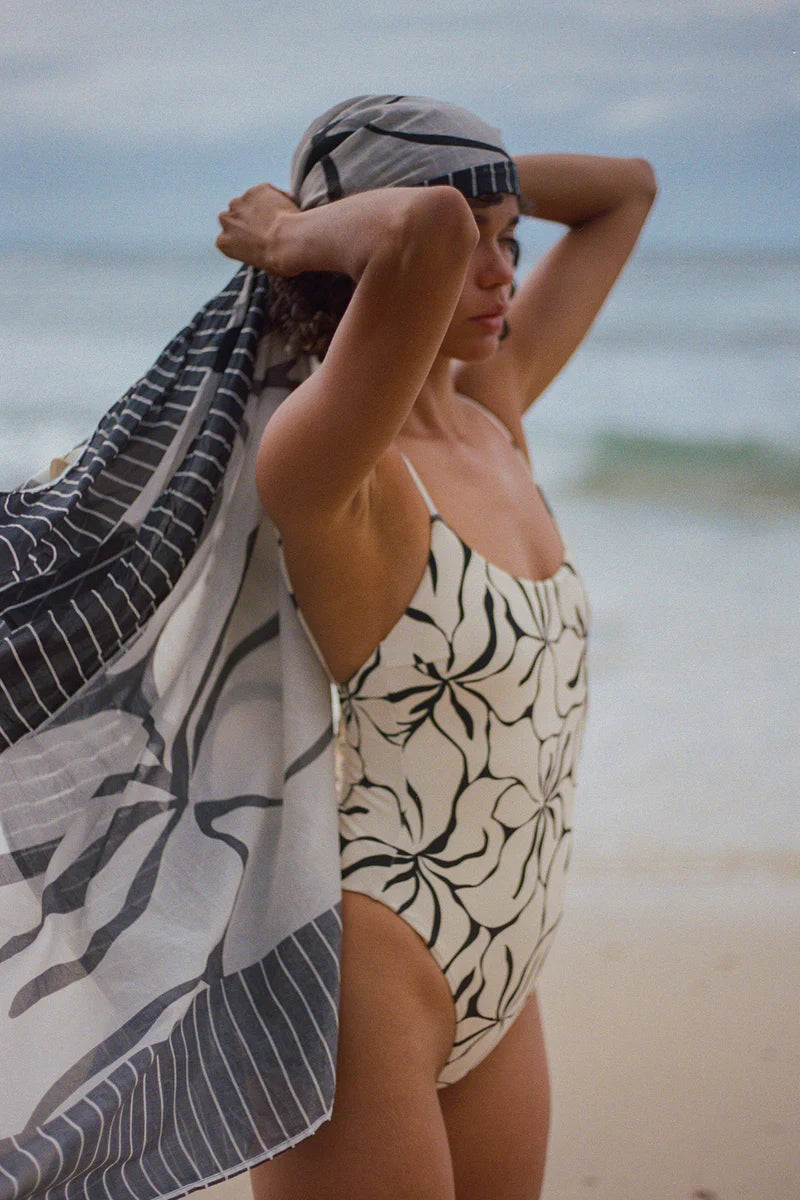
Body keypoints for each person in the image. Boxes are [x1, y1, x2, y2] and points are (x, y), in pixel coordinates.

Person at [213, 95, 657, 1200]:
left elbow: (626, 190)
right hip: (365, 980)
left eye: (512, 240)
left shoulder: (492, 412)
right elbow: (425, 232)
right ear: (349, 257)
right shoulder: (329, 462)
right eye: (477, 248)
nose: (501, 270)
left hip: (508, 954)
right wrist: (289, 233)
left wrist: (477, 178)